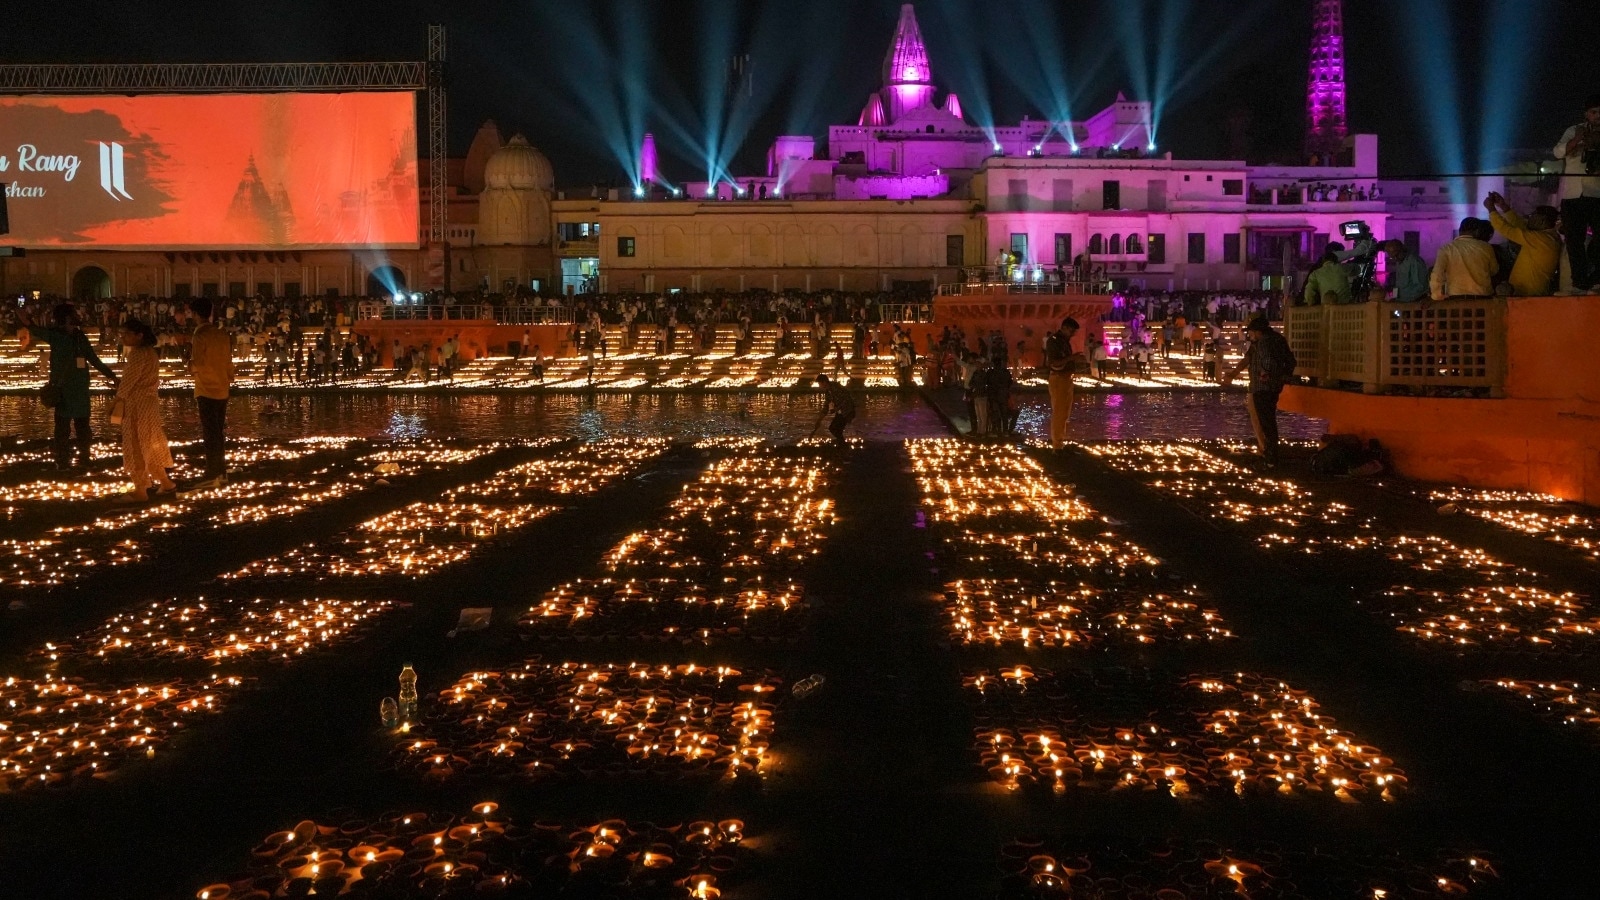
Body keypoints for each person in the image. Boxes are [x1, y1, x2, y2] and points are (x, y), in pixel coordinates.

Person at [19, 303, 117, 471]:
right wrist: (112, 376)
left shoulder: (60, 336)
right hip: (76, 389)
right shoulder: (76, 337)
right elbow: (94, 359)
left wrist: (25, 319)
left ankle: (65, 460)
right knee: (80, 427)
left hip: (67, 389)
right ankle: (81, 459)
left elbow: (34, 328)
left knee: (65, 428)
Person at [113, 318, 177, 502]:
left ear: (139, 335)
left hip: (136, 405)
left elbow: (128, 382)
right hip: (150, 404)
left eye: (126, 334)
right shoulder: (150, 352)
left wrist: (117, 399)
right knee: (150, 442)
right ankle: (165, 483)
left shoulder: (137, 354)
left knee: (136, 444)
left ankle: (140, 489)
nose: (122, 337)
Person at [1223, 316, 1297, 468]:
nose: (1249, 335)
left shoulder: (1263, 342)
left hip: (1263, 387)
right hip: (1273, 386)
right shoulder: (1276, 339)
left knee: (1266, 422)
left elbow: (1268, 361)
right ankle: (1269, 454)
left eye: (1250, 332)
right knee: (1268, 421)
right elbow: (1290, 360)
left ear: (1257, 332)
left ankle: (1270, 458)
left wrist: (1265, 375)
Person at [1552, 94, 1600, 292]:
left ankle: (1596, 276)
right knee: (1573, 240)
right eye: (1594, 112)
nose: (1598, 116)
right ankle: (1580, 281)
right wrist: (1578, 139)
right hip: (1573, 194)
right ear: (1586, 114)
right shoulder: (1573, 130)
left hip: (1597, 193)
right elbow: (1557, 152)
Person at [188, 298, 235, 489]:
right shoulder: (221, 334)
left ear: (197, 315)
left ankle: (212, 472)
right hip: (222, 388)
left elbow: (197, 363)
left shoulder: (200, 335)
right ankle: (220, 470)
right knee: (218, 432)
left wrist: (189, 366)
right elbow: (228, 360)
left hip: (206, 389)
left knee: (210, 433)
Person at [1484, 192, 1562, 297]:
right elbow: (1521, 227)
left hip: (1528, 296)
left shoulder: (1541, 240)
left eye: (1532, 215)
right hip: (1529, 295)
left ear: (1542, 219)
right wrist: (1503, 206)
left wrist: (1491, 210)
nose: (1529, 219)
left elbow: (1507, 230)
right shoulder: (1547, 238)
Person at [1430, 217, 1499, 301]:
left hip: (1456, 299)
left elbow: (1437, 274)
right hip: (1482, 299)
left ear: (1459, 231)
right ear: (1477, 231)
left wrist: (1436, 296)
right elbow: (1494, 270)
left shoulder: (1446, 249)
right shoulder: (1486, 247)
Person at [1043, 317, 1084, 450]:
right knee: (1059, 413)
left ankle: (1060, 442)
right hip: (1058, 379)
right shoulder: (1054, 341)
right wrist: (1072, 358)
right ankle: (1057, 445)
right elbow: (1054, 362)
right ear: (1065, 327)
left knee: (1065, 413)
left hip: (1066, 379)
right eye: (1071, 331)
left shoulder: (1064, 341)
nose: (1073, 334)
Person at [813, 373, 856, 447]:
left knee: (835, 429)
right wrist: (819, 420)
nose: (819, 386)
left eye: (819, 383)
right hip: (841, 412)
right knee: (834, 428)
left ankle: (842, 446)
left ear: (824, 382)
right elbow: (826, 406)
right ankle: (842, 444)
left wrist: (836, 408)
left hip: (847, 411)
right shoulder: (828, 392)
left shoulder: (836, 388)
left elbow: (846, 399)